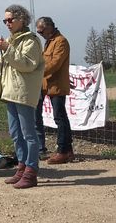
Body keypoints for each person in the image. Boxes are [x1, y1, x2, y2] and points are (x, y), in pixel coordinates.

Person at [0, 5, 44, 189]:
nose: (7, 23)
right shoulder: (12, 41)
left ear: (22, 20)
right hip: (10, 92)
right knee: (16, 135)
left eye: (10, 20)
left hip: (23, 93)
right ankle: (22, 167)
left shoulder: (31, 40)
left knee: (28, 134)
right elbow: (3, 66)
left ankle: (31, 171)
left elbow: (27, 64)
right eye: (5, 20)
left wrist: (7, 48)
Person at [35, 17, 74, 164]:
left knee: (59, 118)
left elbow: (55, 64)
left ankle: (62, 151)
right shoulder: (49, 42)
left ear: (50, 27)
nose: (40, 33)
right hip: (48, 85)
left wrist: (36, 72)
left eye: (41, 30)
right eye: (38, 31)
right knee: (61, 117)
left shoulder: (61, 42)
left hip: (57, 86)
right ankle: (68, 150)